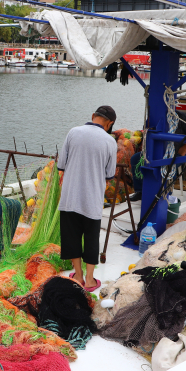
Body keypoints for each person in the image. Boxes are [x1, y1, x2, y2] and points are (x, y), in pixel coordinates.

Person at [58, 105, 117, 291]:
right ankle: (90, 280)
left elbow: (61, 166)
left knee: (72, 236)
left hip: (70, 197)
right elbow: (109, 175)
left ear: (93, 116)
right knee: (91, 238)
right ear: (110, 124)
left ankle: (78, 275)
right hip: (92, 200)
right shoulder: (110, 142)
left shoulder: (73, 132)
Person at [129, 111, 186, 202]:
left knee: (168, 167)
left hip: (176, 154)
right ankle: (140, 191)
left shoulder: (182, 117)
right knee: (135, 159)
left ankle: (166, 195)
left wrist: (183, 149)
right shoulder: (153, 115)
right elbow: (147, 133)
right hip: (155, 152)